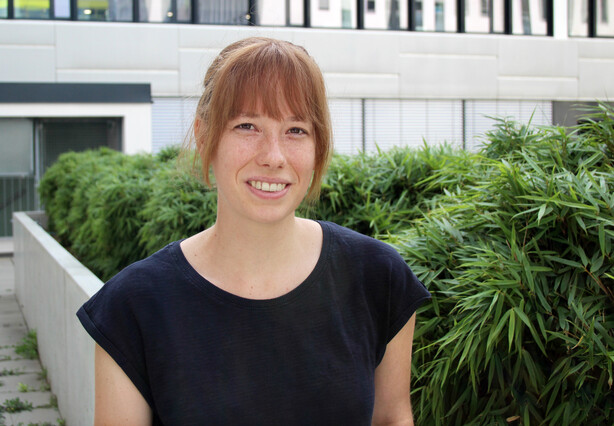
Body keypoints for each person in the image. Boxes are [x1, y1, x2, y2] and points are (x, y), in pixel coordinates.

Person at [77, 37, 430, 426]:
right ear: (204, 136)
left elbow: (393, 417)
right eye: (247, 126)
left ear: (318, 146)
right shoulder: (133, 307)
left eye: (296, 130)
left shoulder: (378, 277)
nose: (273, 157)